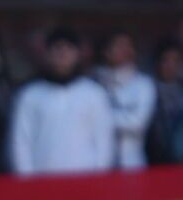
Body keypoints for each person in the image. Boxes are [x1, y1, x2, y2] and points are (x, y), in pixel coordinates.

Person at [10, 28, 115, 175]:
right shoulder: (30, 95)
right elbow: (21, 142)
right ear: (47, 54)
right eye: (57, 48)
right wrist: (27, 180)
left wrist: (99, 178)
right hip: (42, 181)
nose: (63, 54)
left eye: (68, 49)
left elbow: (104, 141)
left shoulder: (94, 94)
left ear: (78, 54)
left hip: (86, 182)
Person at [95, 30, 156, 171]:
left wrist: (100, 117)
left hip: (132, 165)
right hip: (99, 166)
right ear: (107, 52)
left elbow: (137, 122)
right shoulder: (94, 84)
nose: (126, 50)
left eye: (129, 46)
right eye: (120, 46)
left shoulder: (144, 84)